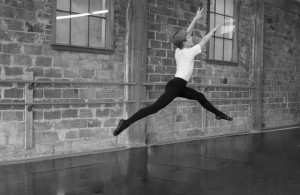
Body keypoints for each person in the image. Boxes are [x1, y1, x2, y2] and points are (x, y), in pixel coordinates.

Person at [113, 7, 232, 136]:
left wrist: (195, 19)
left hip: (179, 86)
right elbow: (204, 40)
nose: (191, 37)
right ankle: (125, 123)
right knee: (154, 108)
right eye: (189, 37)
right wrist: (213, 31)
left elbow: (185, 33)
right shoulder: (188, 52)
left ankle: (218, 114)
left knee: (200, 97)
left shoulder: (179, 50)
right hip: (176, 86)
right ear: (185, 42)